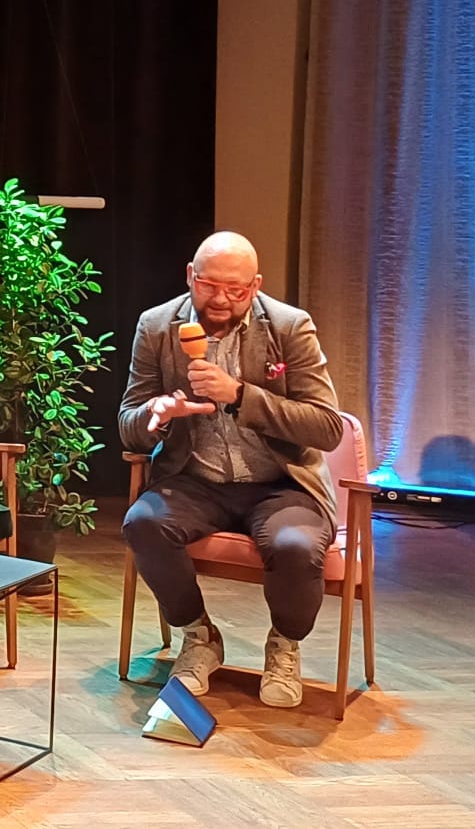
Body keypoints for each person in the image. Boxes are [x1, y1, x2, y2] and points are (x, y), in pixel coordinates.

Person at [119, 231, 345, 708]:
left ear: (255, 285)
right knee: (143, 524)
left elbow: (327, 427)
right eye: (208, 285)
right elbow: (129, 426)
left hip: (281, 484)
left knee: (295, 546)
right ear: (190, 276)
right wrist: (156, 415)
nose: (220, 299)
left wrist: (241, 395)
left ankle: (284, 644)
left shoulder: (289, 327)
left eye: (236, 290)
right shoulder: (157, 326)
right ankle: (198, 636)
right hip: (195, 481)